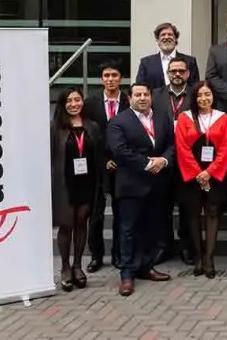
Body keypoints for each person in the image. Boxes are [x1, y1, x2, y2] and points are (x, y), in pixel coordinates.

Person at [107, 83, 176, 296]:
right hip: (131, 184)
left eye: (146, 94)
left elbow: (172, 144)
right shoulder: (118, 121)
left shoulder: (162, 117)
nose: (143, 98)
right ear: (129, 98)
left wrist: (163, 160)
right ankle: (127, 274)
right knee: (128, 231)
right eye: (138, 94)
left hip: (157, 184)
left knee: (151, 228)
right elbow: (120, 151)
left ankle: (146, 267)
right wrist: (148, 163)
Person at [174, 81, 227, 278]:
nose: (203, 99)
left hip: (215, 173)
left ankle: (209, 258)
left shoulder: (222, 118)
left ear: (213, 96)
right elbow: (182, 148)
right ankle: (197, 256)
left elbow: (225, 148)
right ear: (194, 97)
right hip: (191, 173)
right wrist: (198, 173)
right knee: (192, 213)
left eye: (207, 95)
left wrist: (210, 172)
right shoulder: (185, 117)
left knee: (212, 212)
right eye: (199, 95)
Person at [51, 87, 104, 291]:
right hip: (65, 183)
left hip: (87, 183)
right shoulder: (55, 128)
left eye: (78, 100)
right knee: (66, 226)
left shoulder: (92, 127)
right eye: (70, 101)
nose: (74, 104)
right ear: (63, 104)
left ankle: (77, 265)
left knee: (82, 223)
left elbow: (98, 156)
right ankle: (64, 267)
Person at [83, 62, 130, 272]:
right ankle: (96, 255)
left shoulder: (129, 101)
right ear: (101, 79)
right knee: (96, 214)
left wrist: (120, 158)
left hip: (123, 166)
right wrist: (103, 160)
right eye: (106, 75)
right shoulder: (90, 103)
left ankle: (119, 254)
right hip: (97, 165)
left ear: (121, 78)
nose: (110, 79)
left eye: (114, 75)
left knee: (121, 213)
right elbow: (87, 136)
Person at [149, 56, 194, 265]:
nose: (177, 74)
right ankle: (162, 246)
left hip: (189, 157)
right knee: (161, 206)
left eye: (181, 71)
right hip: (163, 157)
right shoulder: (156, 96)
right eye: (173, 71)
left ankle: (187, 246)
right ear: (168, 73)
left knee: (186, 206)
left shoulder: (196, 94)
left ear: (188, 73)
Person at [136, 22, 200, 90]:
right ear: (157, 40)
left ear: (176, 39)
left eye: (170, 34)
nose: (166, 37)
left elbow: (195, 88)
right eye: (163, 35)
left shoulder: (190, 61)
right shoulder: (146, 63)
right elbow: (140, 88)